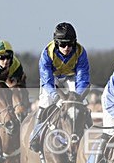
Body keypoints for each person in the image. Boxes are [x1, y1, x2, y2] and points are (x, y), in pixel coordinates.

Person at [29, 22, 91, 152]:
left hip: (71, 77)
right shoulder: (47, 53)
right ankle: (36, 134)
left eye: (70, 44)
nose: (67, 48)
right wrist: (55, 96)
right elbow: (47, 80)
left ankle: (88, 129)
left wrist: (77, 97)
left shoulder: (80, 52)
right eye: (62, 44)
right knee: (45, 102)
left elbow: (83, 79)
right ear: (57, 43)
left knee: (82, 102)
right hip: (53, 79)